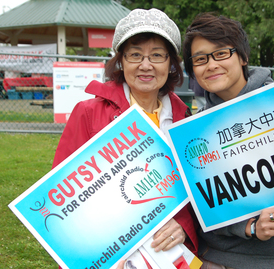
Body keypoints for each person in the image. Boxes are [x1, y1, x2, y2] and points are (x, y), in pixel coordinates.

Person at [182, 13, 274, 269]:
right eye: (200, 59)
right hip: (216, 257)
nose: (211, 65)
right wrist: (249, 226)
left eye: (221, 53)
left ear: (242, 56)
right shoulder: (194, 133)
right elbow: (201, 207)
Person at [52, 8, 198, 268]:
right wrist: (100, 252)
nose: (145, 65)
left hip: (168, 254)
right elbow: (61, 197)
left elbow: (193, 191)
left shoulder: (185, 119)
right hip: (108, 253)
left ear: (170, 63)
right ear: (121, 61)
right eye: (135, 55)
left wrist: (184, 227)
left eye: (157, 55)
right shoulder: (88, 113)